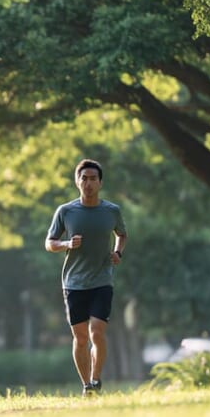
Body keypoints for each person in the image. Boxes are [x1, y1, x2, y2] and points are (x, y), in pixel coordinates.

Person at [45, 159, 127, 395]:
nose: (88, 183)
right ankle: (86, 385)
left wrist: (118, 252)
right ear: (77, 182)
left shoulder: (112, 211)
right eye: (84, 178)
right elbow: (49, 243)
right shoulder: (66, 211)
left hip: (102, 279)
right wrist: (66, 244)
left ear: (100, 182)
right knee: (81, 338)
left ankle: (96, 378)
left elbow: (122, 234)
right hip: (73, 282)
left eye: (93, 179)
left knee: (97, 332)